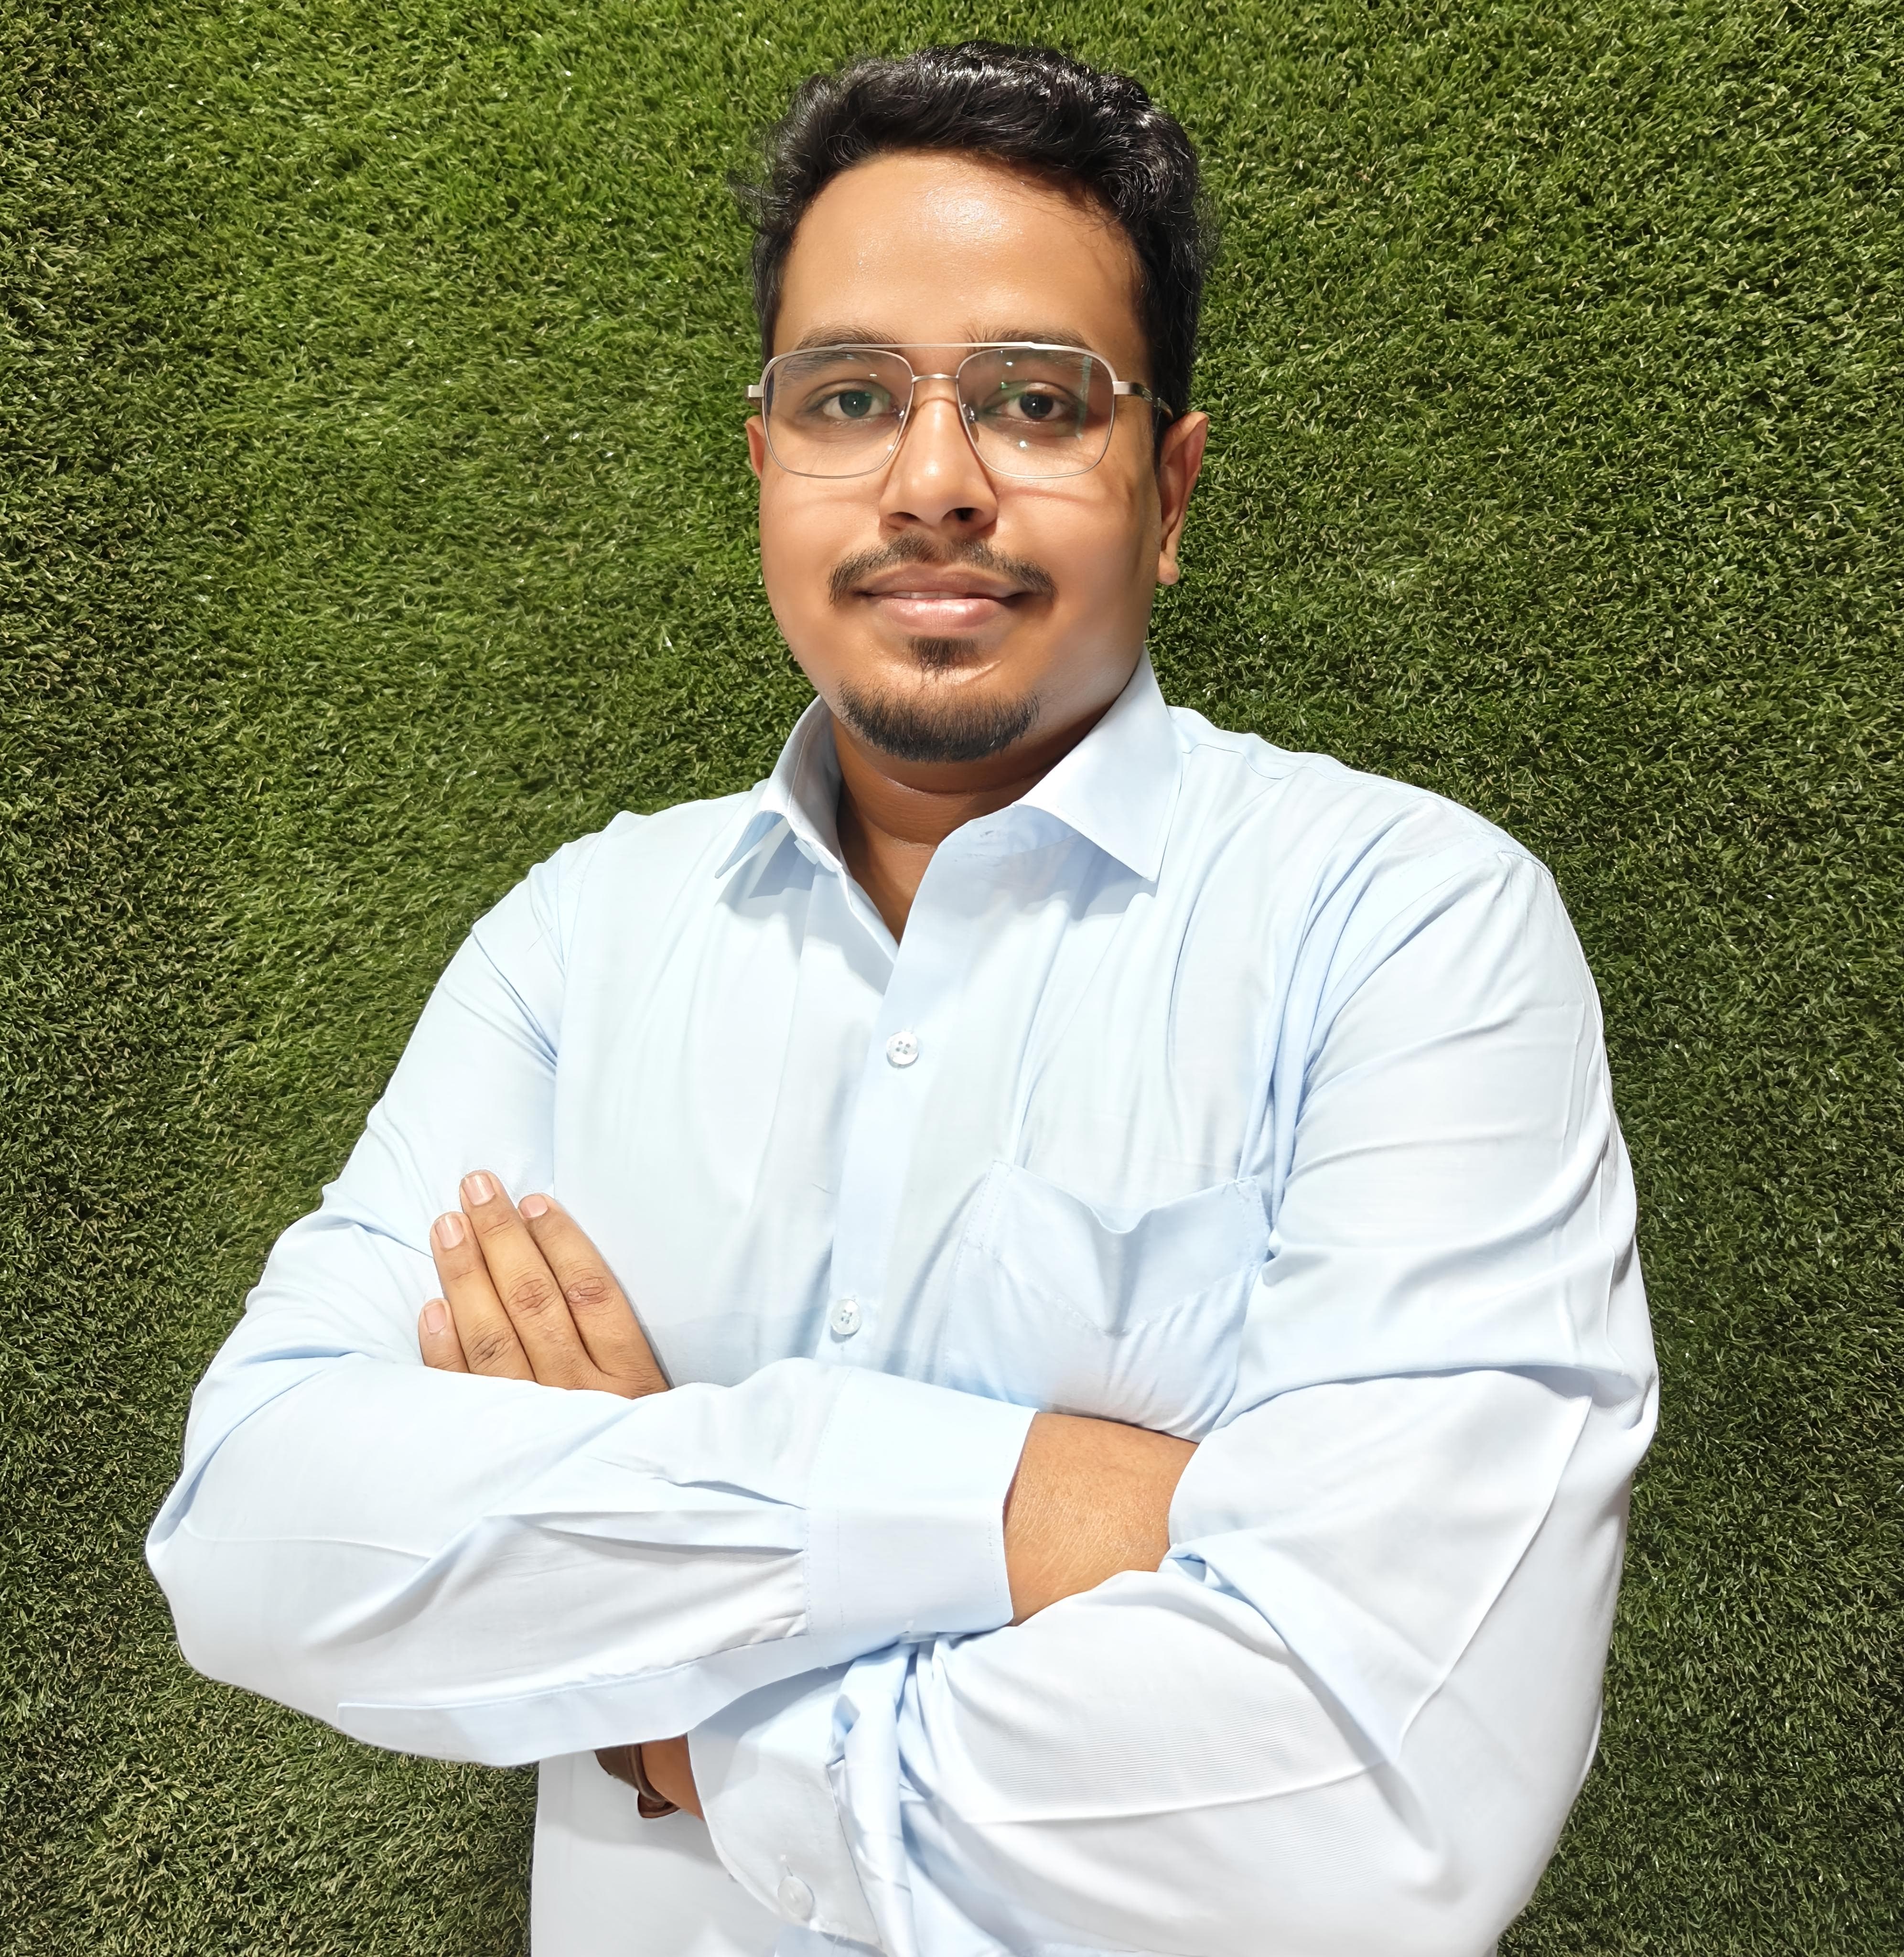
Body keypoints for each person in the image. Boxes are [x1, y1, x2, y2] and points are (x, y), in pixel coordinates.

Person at [147, 41, 1657, 1957]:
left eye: (1034, 401)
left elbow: (1370, 1808)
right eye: (850, 398)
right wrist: (1029, 1500)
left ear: (1169, 489)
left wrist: (658, 1688)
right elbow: (254, 1531)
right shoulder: (581, 938)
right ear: (765, 466)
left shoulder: (1406, 927)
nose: (934, 483)